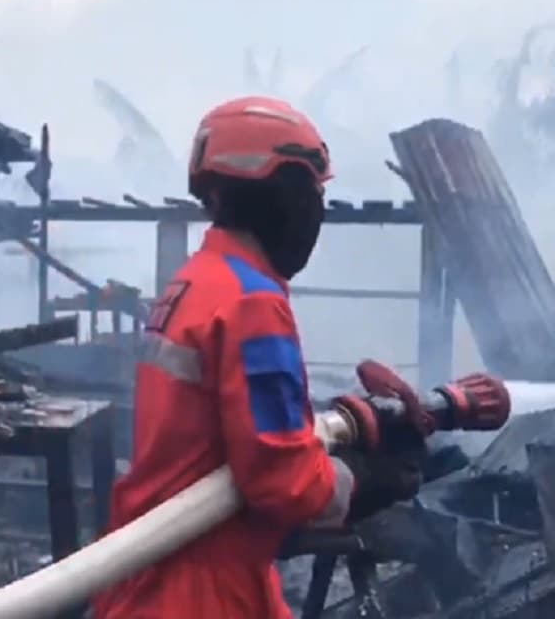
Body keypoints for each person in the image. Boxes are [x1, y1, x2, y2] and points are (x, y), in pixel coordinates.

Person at [93, 96, 424, 618]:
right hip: (202, 591)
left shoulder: (193, 282)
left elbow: (229, 427)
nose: (317, 212)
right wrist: (365, 482)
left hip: (156, 569)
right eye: (313, 193)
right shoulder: (252, 302)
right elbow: (280, 481)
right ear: (280, 192)